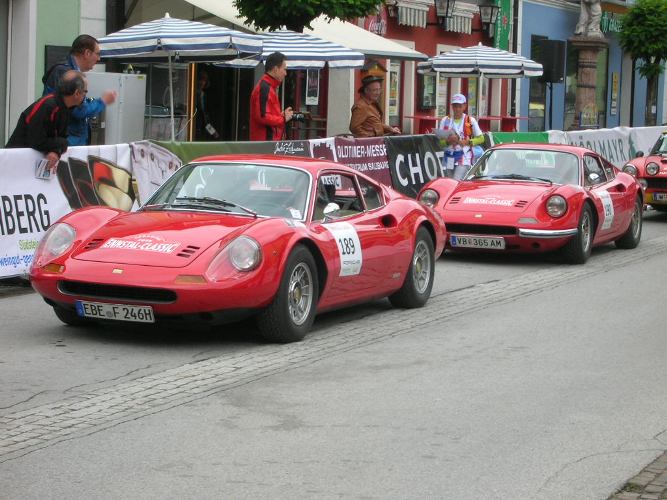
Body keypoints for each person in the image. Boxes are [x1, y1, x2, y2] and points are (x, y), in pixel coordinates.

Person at [42, 34, 117, 146]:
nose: (99, 58)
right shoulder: (66, 73)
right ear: (87, 53)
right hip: (67, 143)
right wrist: (102, 101)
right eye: (97, 54)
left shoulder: (65, 71)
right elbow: (79, 110)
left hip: (68, 142)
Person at [6, 70, 87, 170]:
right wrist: (61, 144)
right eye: (85, 92)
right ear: (77, 93)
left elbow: (61, 137)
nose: (85, 96)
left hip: (32, 164)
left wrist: (56, 151)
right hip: (14, 162)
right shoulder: (47, 105)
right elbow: (37, 140)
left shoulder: (66, 107)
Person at [437, 93, 484, 180]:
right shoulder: (445, 120)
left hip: (464, 158)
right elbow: (440, 142)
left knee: (456, 181)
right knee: (449, 183)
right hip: (449, 157)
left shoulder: (470, 120)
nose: (457, 109)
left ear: (464, 106)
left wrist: (468, 142)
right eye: (455, 106)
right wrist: (448, 141)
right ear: (452, 106)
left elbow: (481, 138)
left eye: (460, 106)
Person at [249, 52, 293, 141]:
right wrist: (283, 118)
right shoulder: (265, 88)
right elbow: (263, 116)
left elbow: (265, 114)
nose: (286, 73)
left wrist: (281, 116)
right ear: (276, 69)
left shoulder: (268, 87)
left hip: (267, 143)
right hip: (265, 144)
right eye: (284, 69)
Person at [195, 69, 219, 140]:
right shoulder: (192, 94)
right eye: (200, 80)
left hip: (202, 129)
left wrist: (213, 132)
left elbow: (206, 119)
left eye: (204, 80)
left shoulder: (204, 95)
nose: (202, 82)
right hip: (195, 127)